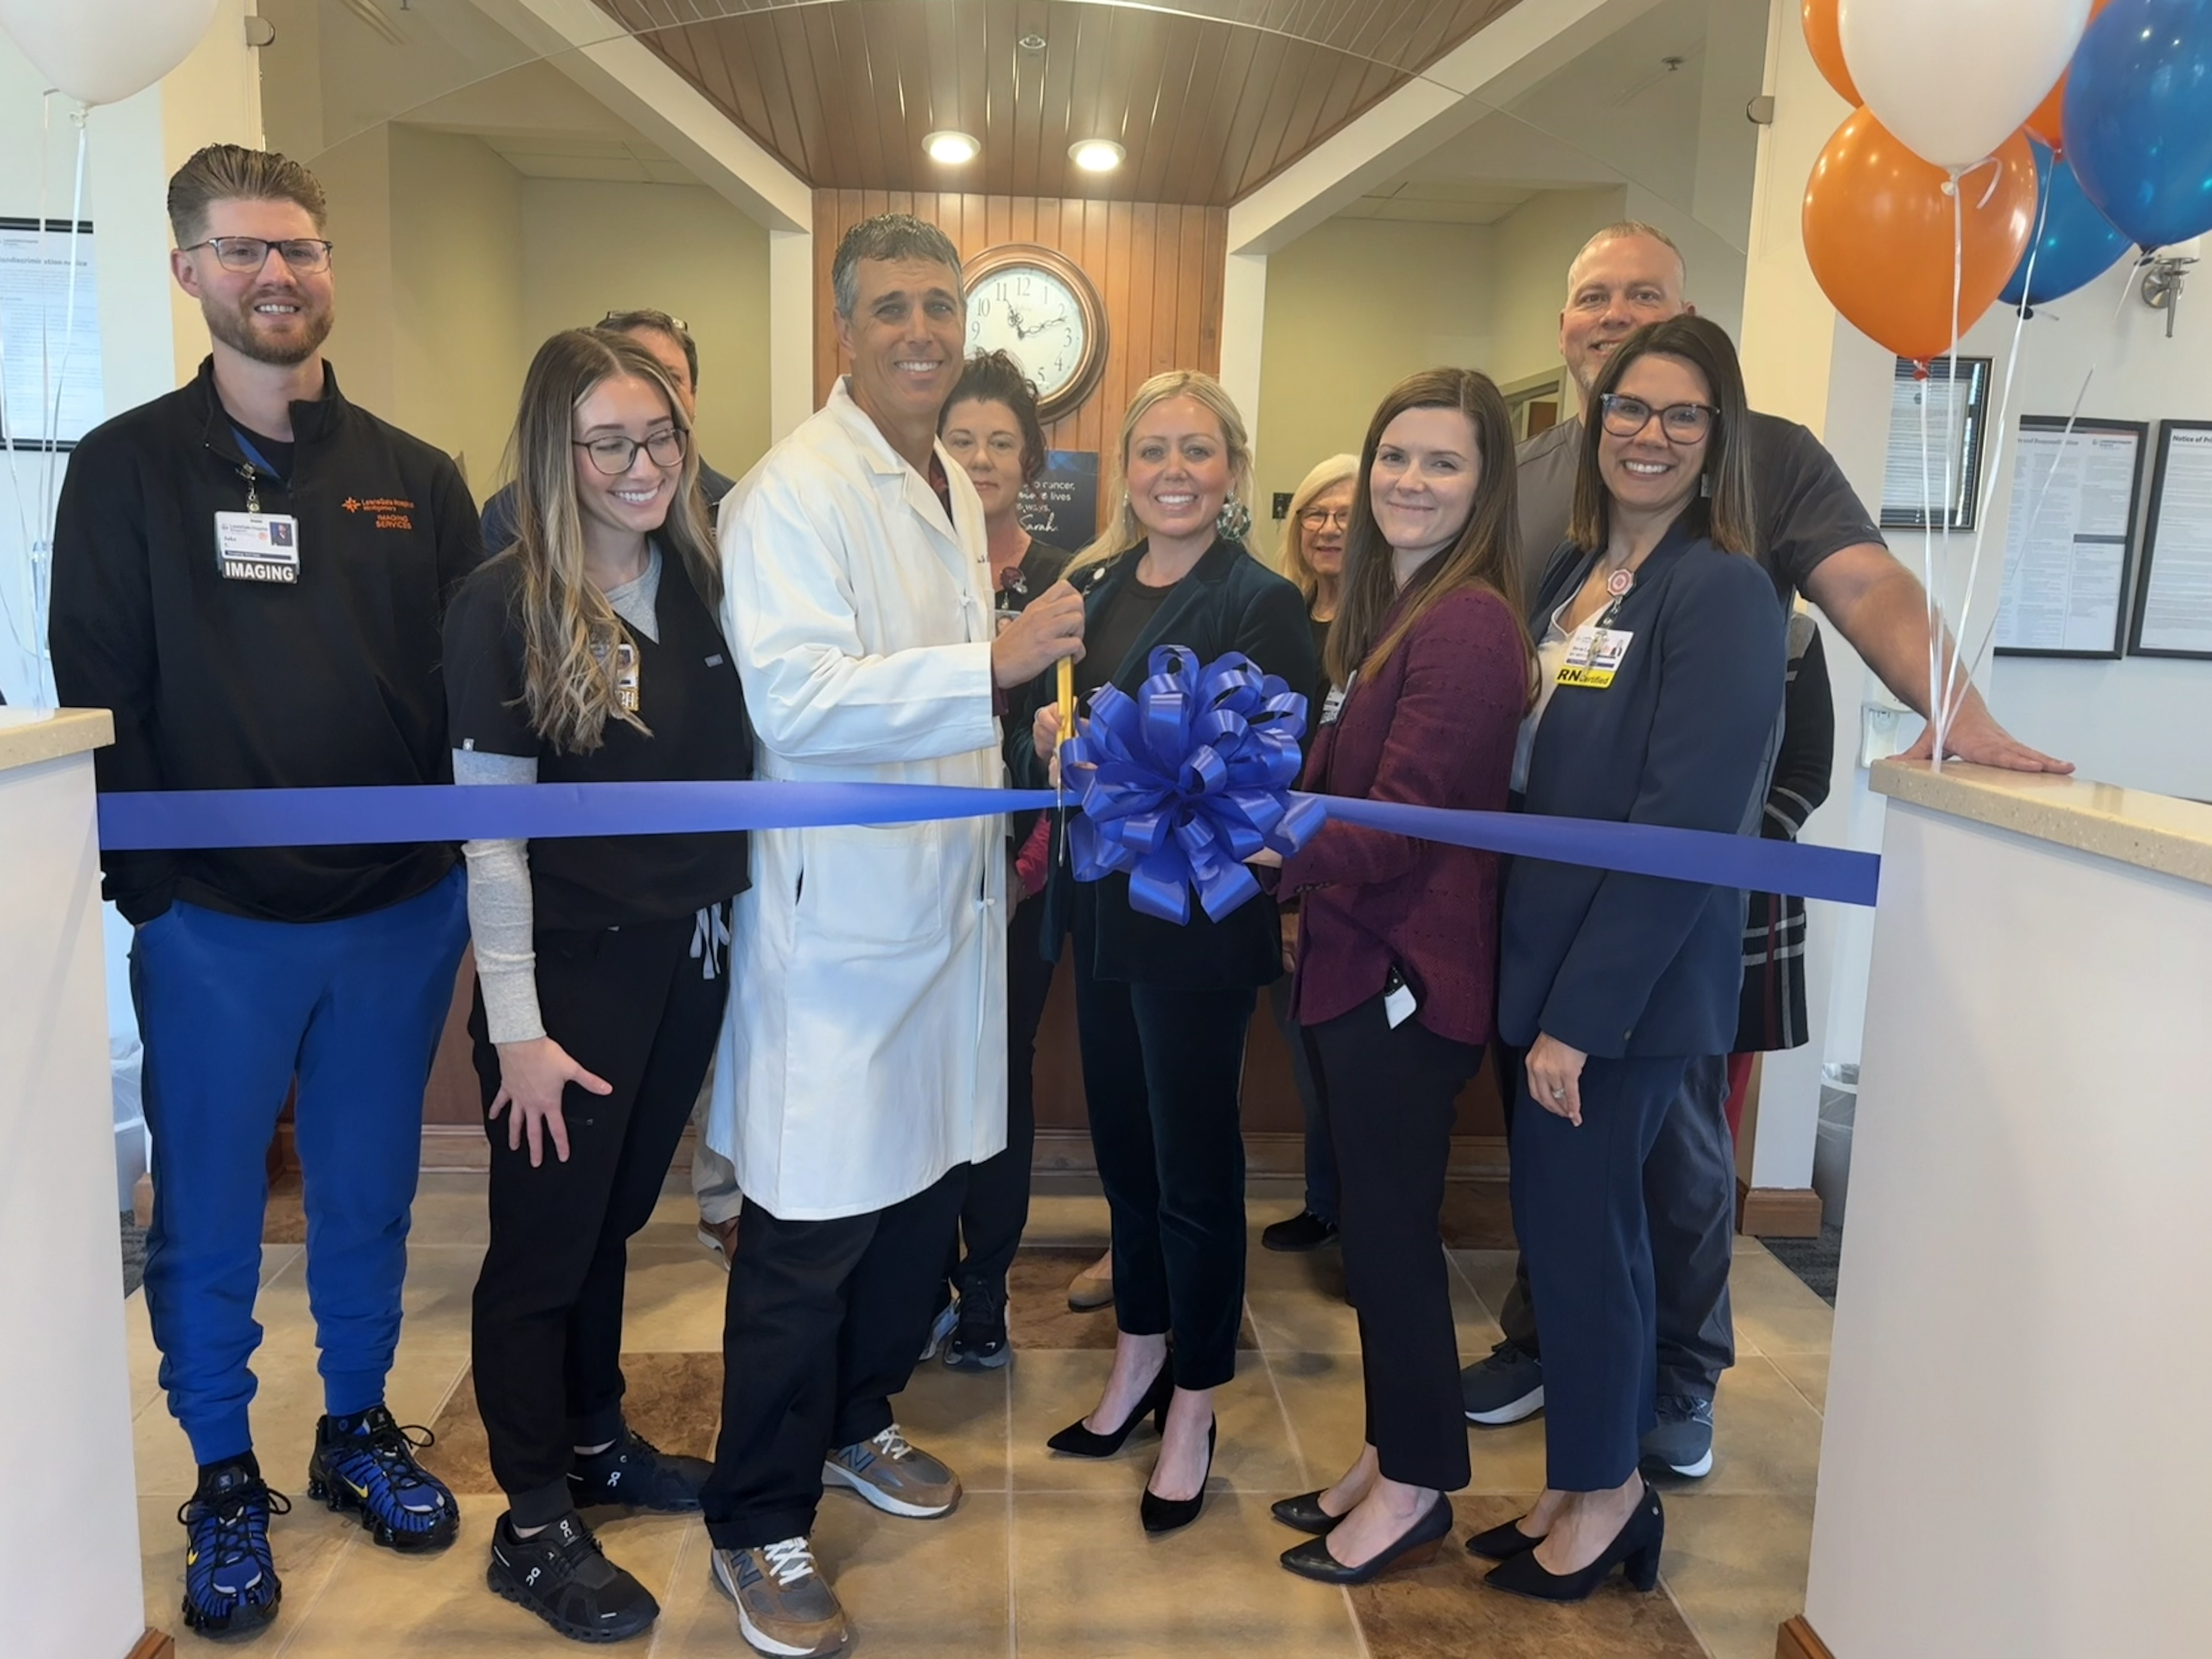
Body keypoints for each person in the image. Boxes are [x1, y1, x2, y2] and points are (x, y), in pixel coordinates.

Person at [1462, 220, 2067, 1475]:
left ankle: (1681, 1376)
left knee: (1677, 1148)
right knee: (1561, 1152)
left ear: (1696, 333)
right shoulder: (1545, 480)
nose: (1615, 315)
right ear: (1566, 330)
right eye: (1592, 298)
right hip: (1546, 887)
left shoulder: (1764, 463)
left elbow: (1862, 588)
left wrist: (1961, 716)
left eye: (1646, 295)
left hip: (1673, 887)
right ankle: (1555, 1342)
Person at [49, 144, 481, 1639]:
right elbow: (96, 687)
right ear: (191, 273)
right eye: (242, 252)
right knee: (211, 1213)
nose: (276, 275)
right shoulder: (121, 468)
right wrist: (153, 892)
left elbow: (461, 695)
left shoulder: (417, 478)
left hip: (393, 918)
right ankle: (222, 1466)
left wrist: (455, 871)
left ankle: (355, 1423)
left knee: (371, 1193)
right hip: (215, 929)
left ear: (329, 267)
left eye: (299, 248)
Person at [698, 214, 1085, 1659]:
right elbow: (796, 703)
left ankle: (859, 1423)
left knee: (917, 1212)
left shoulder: (939, 482)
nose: (924, 328)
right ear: (846, 327)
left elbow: (942, 706)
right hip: (844, 936)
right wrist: (988, 662)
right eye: (896, 307)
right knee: (809, 1242)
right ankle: (753, 1519)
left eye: (942, 304)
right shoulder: (797, 493)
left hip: (945, 924)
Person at [442, 329, 752, 1642]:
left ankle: (596, 1436)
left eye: (661, 437)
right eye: (609, 441)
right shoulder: (501, 602)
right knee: (541, 1249)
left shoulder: (701, 579)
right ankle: (531, 1517)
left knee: (614, 1225)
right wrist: (516, 1034)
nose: (643, 465)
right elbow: (492, 841)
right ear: (555, 454)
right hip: (565, 983)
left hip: (686, 963)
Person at [1475, 315, 1783, 1602]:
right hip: (1542, 966)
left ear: (1717, 445)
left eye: (1680, 416)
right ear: (1591, 424)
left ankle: (1607, 1496)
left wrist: (1582, 1018)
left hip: (1625, 992)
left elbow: (1687, 821)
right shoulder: (1571, 576)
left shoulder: (1721, 589)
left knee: (1592, 1243)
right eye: (1628, 410)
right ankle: (1575, 1477)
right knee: (1561, 1237)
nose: (1648, 436)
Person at [1014, 370, 1318, 1536]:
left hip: (1193, 922)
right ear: (1125, 470)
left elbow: (1255, 773)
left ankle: (1194, 1400)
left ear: (1232, 470)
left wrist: (1105, 751)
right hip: (1098, 911)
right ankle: (1137, 1355)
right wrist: (1053, 733)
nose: (1173, 472)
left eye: (1198, 451)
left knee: (1193, 1171)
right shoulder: (1088, 586)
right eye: (1152, 452)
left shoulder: (1262, 602)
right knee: (1126, 1158)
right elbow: (1065, 731)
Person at [1256, 371, 1530, 1585]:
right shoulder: (1393, 611)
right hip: (1350, 965)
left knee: (1392, 1242)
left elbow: (1398, 824)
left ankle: (1416, 1488)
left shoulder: (1468, 623)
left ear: (1483, 487)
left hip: (1404, 980)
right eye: (1394, 459)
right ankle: (1388, 1453)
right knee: (1370, 1239)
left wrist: (1249, 833)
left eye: (1441, 464)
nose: (1408, 483)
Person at [934, 350, 1072, 1371]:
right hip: (914, 876)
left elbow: (1073, 739)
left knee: (1000, 1083)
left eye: (1000, 442)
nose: (979, 457)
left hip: (1023, 882)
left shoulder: (1063, 580)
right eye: (962, 437)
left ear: (1028, 461)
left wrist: (1026, 868)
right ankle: (920, 1281)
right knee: (925, 1076)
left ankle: (985, 1291)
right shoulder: (907, 559)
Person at [1258, 452, 1358, 1256]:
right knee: (1304, 1051)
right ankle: (1325, 1202)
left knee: (1348, 1058)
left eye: (1346, 516)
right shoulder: (1280, 612)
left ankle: (1362, 1220)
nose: (1328, 529)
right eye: (1315, 516)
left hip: (1353, 875)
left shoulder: (1392, 622)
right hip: (1280, 875)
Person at [479, 310, 736, 555]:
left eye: (668, 378)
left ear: (694, 396)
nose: (644, 471)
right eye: (610, 444)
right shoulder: (509, 520)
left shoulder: (729, 514)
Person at [1728, 613, 1834, 1133]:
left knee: (1720, 1090)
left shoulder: (1794, 636)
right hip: (1653, 877)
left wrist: (1741, 855)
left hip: (1750, 889)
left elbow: (1810, 773)